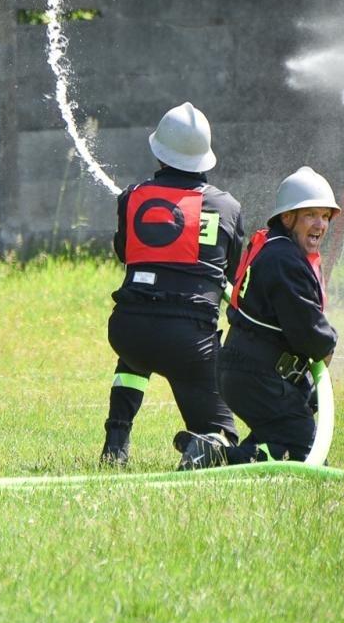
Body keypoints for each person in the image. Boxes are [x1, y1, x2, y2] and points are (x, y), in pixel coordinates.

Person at [100, 102, 245, 467]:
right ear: (205, 158)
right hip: (189, 344)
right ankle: (205, 446)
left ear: (159, 152)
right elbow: (235, 273)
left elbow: (125, 252)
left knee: (136, 351)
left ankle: (116, 442)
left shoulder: (132, 197)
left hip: (128, 331)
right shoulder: (226, 207)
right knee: (224, 434)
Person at [177, 166, 340, 469]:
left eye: (326, 216)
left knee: (279, 436)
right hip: (259, 375)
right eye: (310, 215)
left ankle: (209, 448)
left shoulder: (277, 250)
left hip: (246, 371)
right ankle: (220, 457)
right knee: (306, 455)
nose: (320, 224)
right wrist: (328, 342)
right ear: (287, 218)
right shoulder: (284, 260)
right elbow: (306, 329)